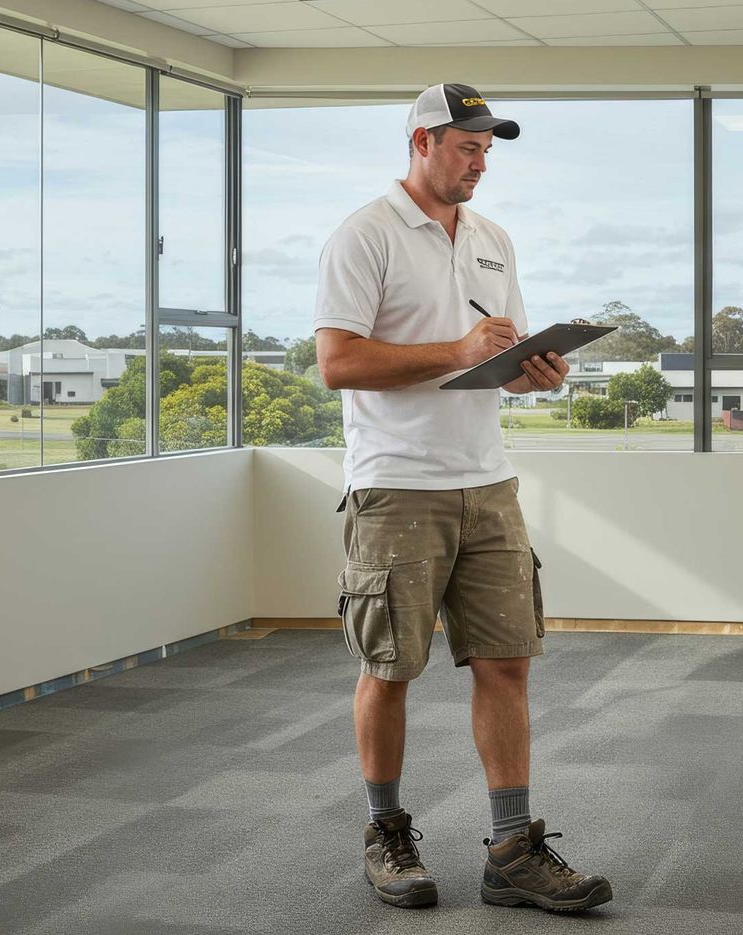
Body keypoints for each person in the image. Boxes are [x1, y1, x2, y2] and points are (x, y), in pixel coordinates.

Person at [313, 83, 613, 913]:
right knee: (391, 666)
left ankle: (513, 850)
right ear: (421, 142)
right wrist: (453, 349)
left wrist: (536, 371)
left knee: (508, 661)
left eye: (487, 149)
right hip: (396, 484)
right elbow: (337, 362)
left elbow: (498, 358)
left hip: (487, 480)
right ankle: (388, 834)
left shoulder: (492, 239)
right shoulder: (364, 234)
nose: (480, 162)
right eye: (466, 146)